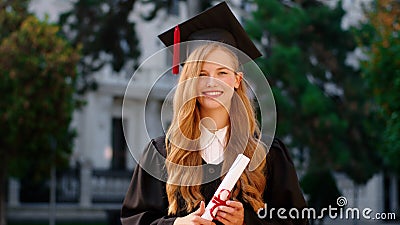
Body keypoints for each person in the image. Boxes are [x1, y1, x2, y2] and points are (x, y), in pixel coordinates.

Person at [121, 2, 308, 225]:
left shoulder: (268, 155)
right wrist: (177, 224)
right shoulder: (161, 154)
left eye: (222, 72)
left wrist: (247, 221)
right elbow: (134, 220)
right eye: (202, 73)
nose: (212, 82)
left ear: (237, 80)